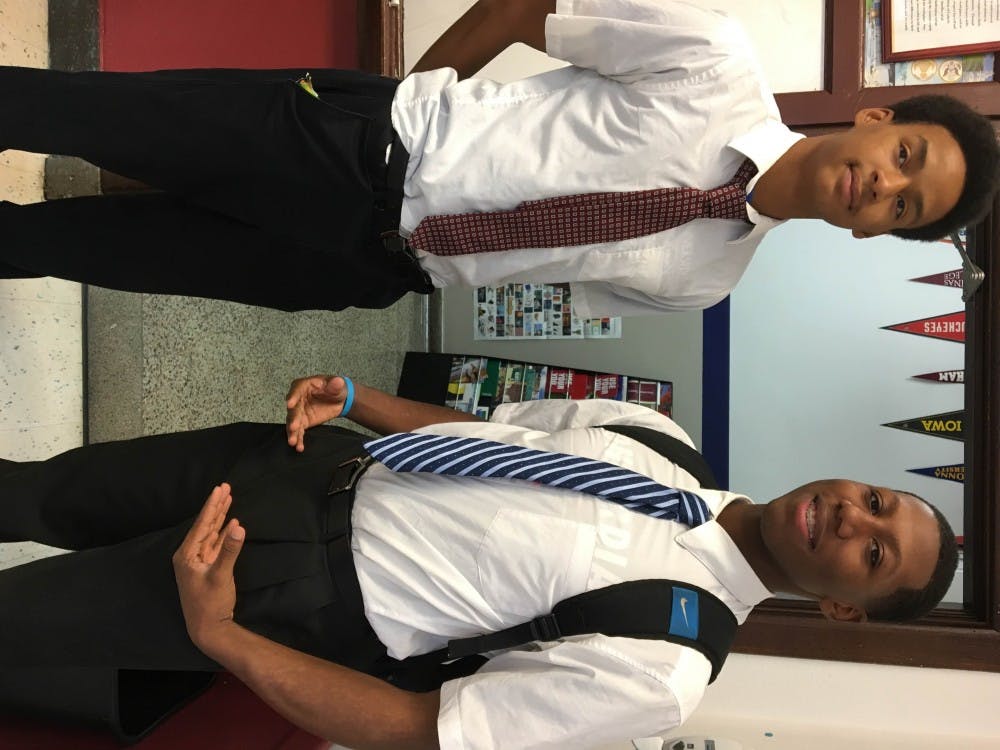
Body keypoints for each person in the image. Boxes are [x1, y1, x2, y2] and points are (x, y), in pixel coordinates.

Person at [0, 374, 958, 748]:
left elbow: (426, 727)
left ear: (845, 611)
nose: (849, 521)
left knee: (19, 616)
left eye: (875, 554)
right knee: (38, 490)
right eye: (876, 502)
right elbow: (487, 432)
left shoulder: (667, 664)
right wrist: (361, 402)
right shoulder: (658, 437)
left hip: (279, 592)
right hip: (303, 464)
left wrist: (222, 639)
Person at [1, 0, 996, 315]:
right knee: (74, 113)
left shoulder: (707, 282)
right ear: (872, 115)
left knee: (82, 247)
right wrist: (418, 99)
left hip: (360, 269)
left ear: (874, 233)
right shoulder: (715, 65)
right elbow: (529, 8)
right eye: (906, 153)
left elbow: (543, 266)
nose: (887, 186)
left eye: (904, 207)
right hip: (356, 143)